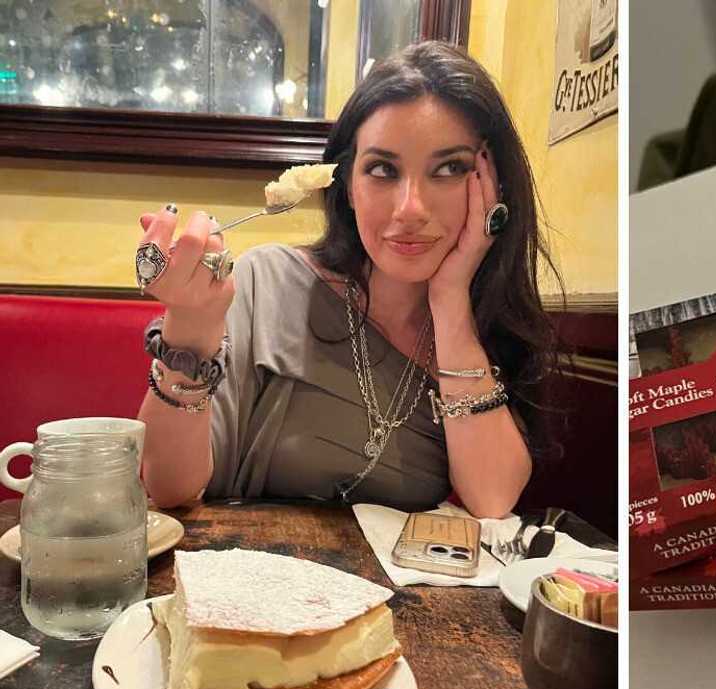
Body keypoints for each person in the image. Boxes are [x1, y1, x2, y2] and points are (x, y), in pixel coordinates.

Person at [134, 42, 559, 518]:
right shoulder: (266, 281)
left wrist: (450, 302)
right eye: (382, 169)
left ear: (491, 188)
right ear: (348, 187)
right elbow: (169, 488)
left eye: (449, 169)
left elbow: (492, 498)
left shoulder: (487, 323)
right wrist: (189, 330)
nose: (410, 209)